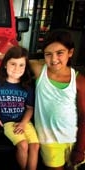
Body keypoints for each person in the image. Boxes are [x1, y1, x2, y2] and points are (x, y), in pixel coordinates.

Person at [29, 29, 85, 170]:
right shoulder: (39, 69)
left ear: (70, 52)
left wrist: (79, 148)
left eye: (60, 53)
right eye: (48, 54)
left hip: (73, 138)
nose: (54, 60)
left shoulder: (78, 80)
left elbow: (84, 115)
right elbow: (13, 56)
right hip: (49, 140)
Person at [0, 46, 39, 170]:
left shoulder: (26, 85)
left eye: (21, 65)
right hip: (7, 122)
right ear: (5, 64)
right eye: (13, 64)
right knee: (23, 144)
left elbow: (29, 108)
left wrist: (23, 123)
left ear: (25, 67)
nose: (17, 68)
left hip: (24, 121)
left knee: (35, 146)